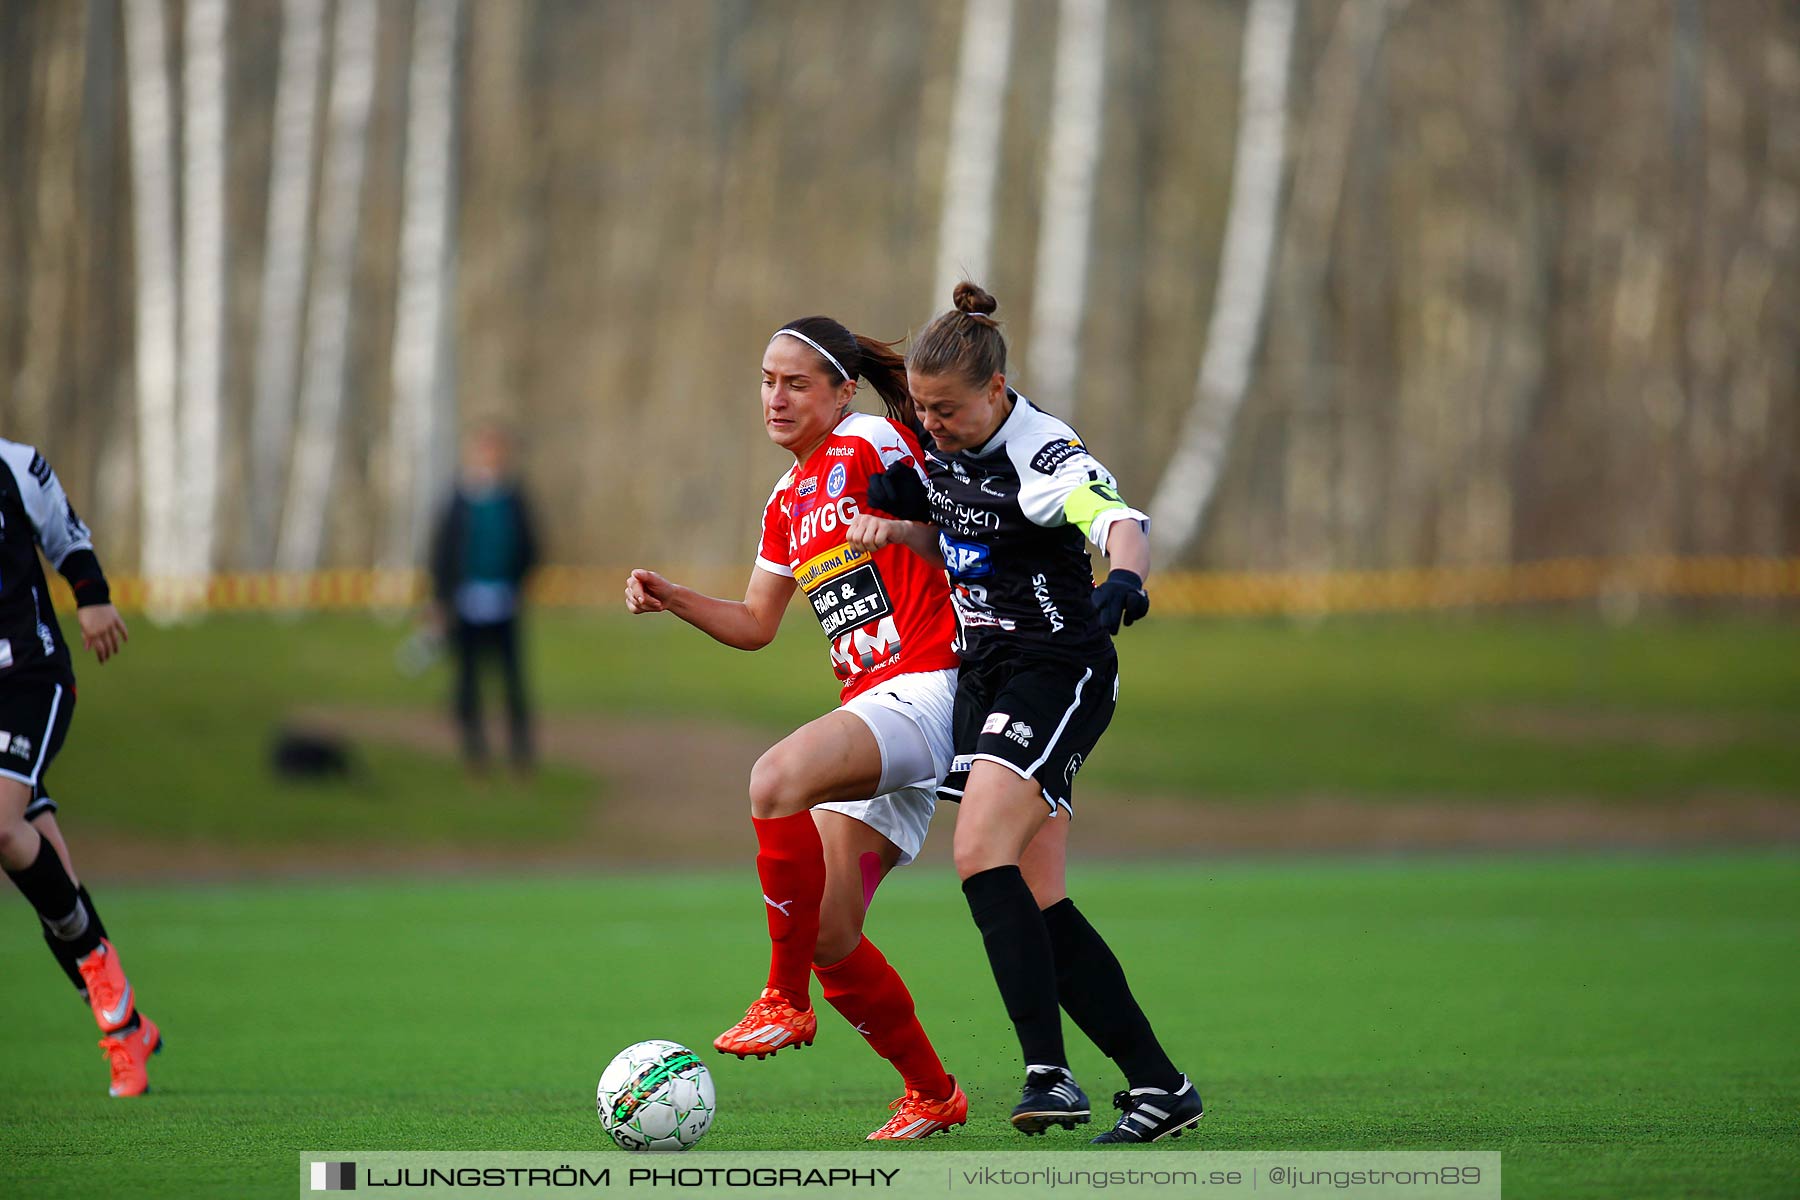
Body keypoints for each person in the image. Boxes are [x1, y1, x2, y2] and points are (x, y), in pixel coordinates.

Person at [847, 283, 1203, 1143]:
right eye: (923, 410)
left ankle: (1049, 1075)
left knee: (977, 852)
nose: (932, 425)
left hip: (1057, 670)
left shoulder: (1042, 451)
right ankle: (1161, 1087)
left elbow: (1116, 518)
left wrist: (1125, 578)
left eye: (948, 411)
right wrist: (902, 532)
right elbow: (973, 534)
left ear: (997, 392)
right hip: (989, 675)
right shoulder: (947, 439)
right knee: (1040, 900)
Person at [624, 315, 969, 1140]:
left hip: (933, 684)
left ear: (843, 391)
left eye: (795, 382)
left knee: (774, 778)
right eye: (767, 380)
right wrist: (674, 597)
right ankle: (933, 1092)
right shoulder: (787, 501)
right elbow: (754, 623)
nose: (774, 397)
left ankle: (783, 999)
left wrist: (917, 527)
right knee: (828, 928)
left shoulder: (871, 441)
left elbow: (956, 510)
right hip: (877, 711)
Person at [0, 438, 156, 1097]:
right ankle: (126, 1030)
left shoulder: (14, 463)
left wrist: (92, 596)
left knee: (2, 828)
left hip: (28, 679)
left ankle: (103, 975)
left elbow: (66, 533)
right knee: (47, 872)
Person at [428, 425, 540, 776]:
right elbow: (442, 552)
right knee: (468, 682)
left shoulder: (514, 498)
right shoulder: (460, 499)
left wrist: (518, 584)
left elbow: (530, 546)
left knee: (512, 682)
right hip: (465, 605)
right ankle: (475, 754)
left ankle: (520, 756)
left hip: (504, 604)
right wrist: (440, 600)